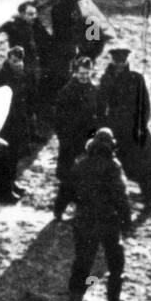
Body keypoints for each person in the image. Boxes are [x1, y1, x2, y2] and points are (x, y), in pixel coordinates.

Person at [63, 128, 132, 301]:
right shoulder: (113, 167)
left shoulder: (80, 164)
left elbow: (66, 189)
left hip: (84, 220)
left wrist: (59, 210)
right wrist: (127, 219)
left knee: (83, 266)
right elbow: (121, 196)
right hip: (108, 221)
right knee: (115, 262)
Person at [98, 48, 151, 208]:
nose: (119, 64)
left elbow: (146, 105)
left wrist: (142, 125)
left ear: (127, 60)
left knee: (141, 165)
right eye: (117, 61)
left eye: (122, 61)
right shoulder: (106, 78)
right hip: (114, 127)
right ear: (112, 61)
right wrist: (103, 125)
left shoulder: (137, 78)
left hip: (134, 128)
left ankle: (149, 197)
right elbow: (101, 103)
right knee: (112, 163)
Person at [52, 56, 103, 220]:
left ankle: (80, 211)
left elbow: (98, 116)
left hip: (87, 142)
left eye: (87, 73)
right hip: (70, 142)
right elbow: (59, 120)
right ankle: (59, 211)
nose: (84, 77)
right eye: (81, 73)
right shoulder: (66, 92)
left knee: (86, 179)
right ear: (75, 73)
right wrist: (65, 141)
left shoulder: (94, 90)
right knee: (68, 179)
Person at [0, 46, 32, 203]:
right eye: (14, 61)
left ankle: (11, 183)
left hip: (18, 122)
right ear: (8, 59)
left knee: (15, 156)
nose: (18, 63)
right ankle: (4, 191)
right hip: (5, 125)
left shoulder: (21, 76)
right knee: (6, 157)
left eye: (20, 60)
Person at [4, 1, 51, 131]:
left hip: (32, 68)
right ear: (22, 14)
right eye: (30, 14)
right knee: (26, 102)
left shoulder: (31, 26)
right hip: (25, 70)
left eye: (35, 14)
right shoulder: (16, 28)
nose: (34, 17)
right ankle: (29, 131)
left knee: (32, 99)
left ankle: (32, 129)